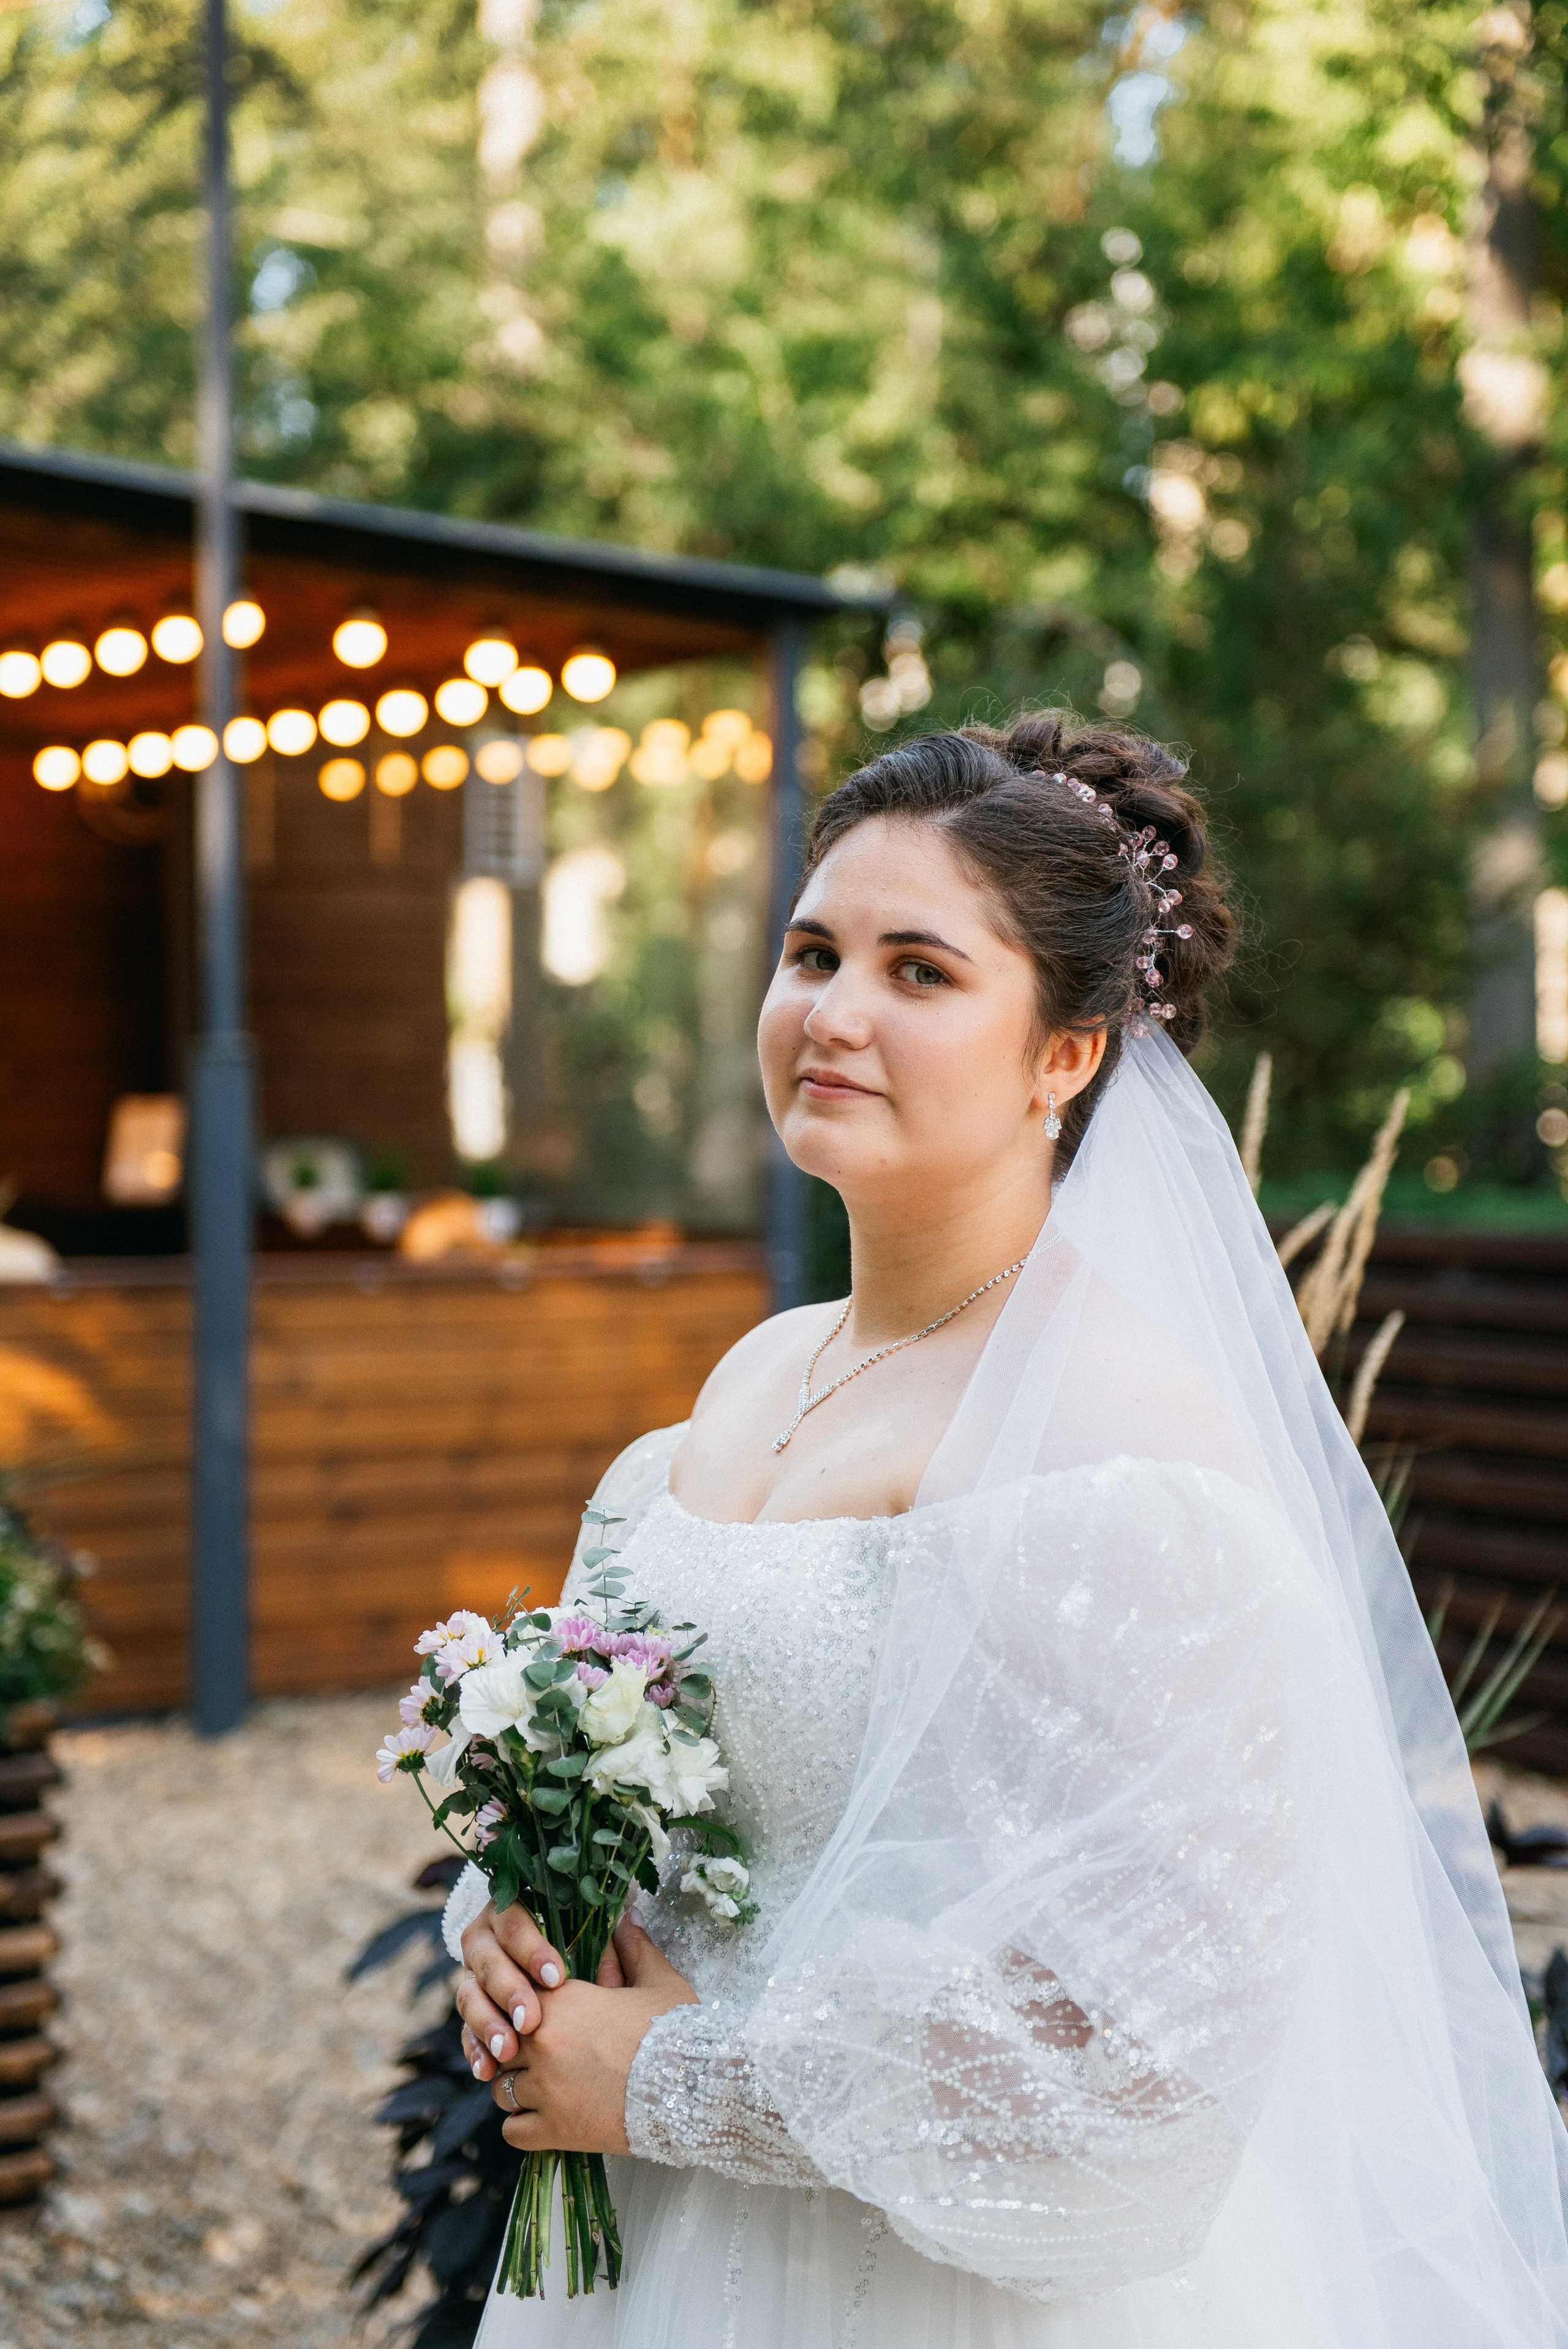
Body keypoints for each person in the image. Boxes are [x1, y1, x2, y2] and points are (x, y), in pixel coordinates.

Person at [447, 713, 1568, 2346]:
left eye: (920, 971)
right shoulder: (757, 1368)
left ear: (1067, 1052)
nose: (831, 1012)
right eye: (812, 950)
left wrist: (673, 2079)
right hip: (665, 2263)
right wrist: (528, 1921)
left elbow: (1150, 2082)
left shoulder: (1127, 1452)